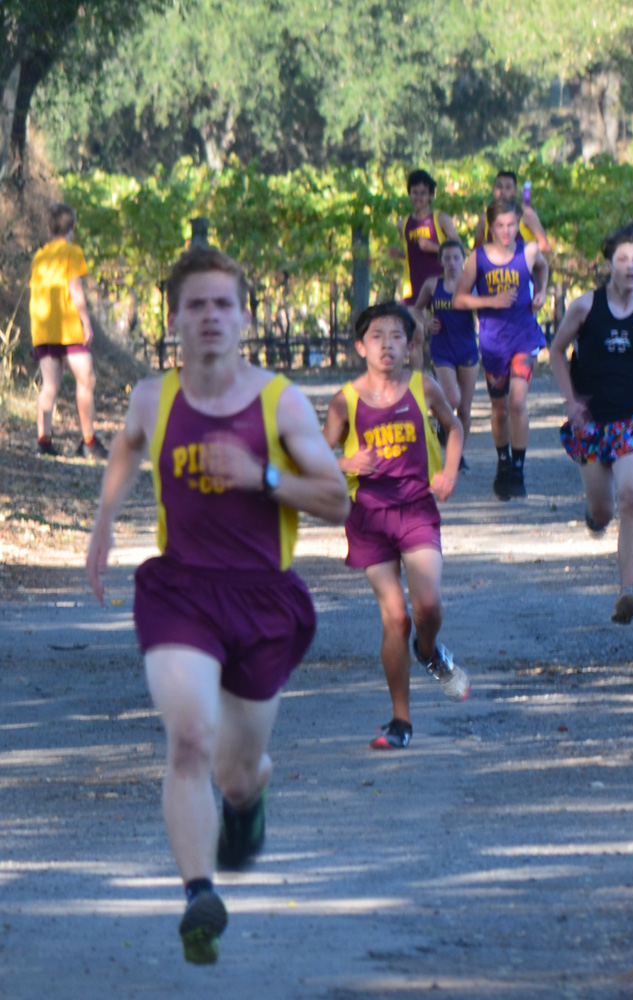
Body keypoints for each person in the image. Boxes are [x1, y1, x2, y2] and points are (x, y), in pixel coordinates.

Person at [85, 245, 349, 964]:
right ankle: (199, 894)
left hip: (263, 600)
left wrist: (262, 475)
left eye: (223, 304)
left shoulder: (279, 401)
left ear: (244, 318)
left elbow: (337, 500)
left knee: (235, 772)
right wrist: (104, 521)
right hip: (182, 591)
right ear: (173, 318)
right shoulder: (153, 397)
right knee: (191, 738)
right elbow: (127, 446)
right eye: (195, 305)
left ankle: (247, 799)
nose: (210, 316)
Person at [323, 301, 470, 752]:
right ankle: (400, 721)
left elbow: (454, 426)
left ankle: (428, 650)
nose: (386, 345)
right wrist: (345, 462)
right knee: (396, 616)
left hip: (416, 509)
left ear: (409, 346)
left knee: (427, 606)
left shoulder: (423, 387)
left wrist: (448, 471)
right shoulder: (345, 400)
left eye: (396, 337)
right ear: (360, 347)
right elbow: (315, 454)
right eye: (377, 336)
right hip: (368, 517)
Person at [549, 222, 633, 625]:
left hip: (632, 419)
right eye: (623, 259)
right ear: (610, 263)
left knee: (632, 498)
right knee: (604, 508)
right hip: (592, 422)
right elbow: (556, 351)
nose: (631, 266)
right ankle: (596, 517)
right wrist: (571, 402)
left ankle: (626, 591)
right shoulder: (585, 306)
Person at [453, 199, 549, 501]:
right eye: (500, 226)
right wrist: (489, 302)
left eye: (511, 225)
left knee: (517, 402)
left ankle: (518, 470)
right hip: (494, 343)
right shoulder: (478, 258)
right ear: (491, 227)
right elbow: (459, 298)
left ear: (518, 224)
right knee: (500, 409)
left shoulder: (528, 251)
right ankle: (503, 461)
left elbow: (543, 268)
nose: (506, 231)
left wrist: (542, 292)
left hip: (524, 338)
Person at [29, 202, 108, 458]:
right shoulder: (72, 252)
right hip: (68, 328)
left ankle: (43, 441)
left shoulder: (39, 256)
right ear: (72, 227)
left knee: (49, 386)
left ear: (49, 228)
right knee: (86, 380)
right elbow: (75, 288)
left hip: (43, 329)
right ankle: (89, 442)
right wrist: (85, 321)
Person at [411, 240, 479, 472]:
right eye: (447, 258)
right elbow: (416, 309)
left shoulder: (472, 285)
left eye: (456, 258)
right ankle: (442, 425)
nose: (451, 263)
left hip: (468, 349)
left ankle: (457, 454)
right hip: (442, 350)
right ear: (441, 261)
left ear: (463, 260)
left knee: (465, 410)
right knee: (452, 399)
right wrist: (426, 322)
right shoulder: (432, 285)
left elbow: (486, 311)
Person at [388, 169, 461, 370]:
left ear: (430, 196)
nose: (418, 197)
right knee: (416, 335)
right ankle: (417, 383)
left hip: (439, 284)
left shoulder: (440, 219)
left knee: (443, 333)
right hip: (413, 285)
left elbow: (458, 249)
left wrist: (434, 247)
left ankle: (445, 376)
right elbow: (413, 254)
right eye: (414, 192)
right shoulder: (403, 224)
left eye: (423, 193)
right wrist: (399, 254)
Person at [474, 170, 550, 253]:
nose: (502, 192)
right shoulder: (484, 219)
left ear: (515, 192)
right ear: (493, 190)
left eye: (508, 187)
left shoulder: (525, 214)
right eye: (499, 186)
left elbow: (545, 246)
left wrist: (521, 257)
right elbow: (476, 251)